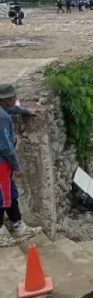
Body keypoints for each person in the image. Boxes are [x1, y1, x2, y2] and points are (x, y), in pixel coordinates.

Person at [0, 83, 40, 246]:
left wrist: (26, 111)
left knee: (11, 192)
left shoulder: (4, 111)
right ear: (5, 99)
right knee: (3, 197)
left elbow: (13, 109)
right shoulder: (2, 118)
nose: (16, 99)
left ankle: (17, 223)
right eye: (13, 97)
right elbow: (6, 146)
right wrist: (16, 166)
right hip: (2, 163)